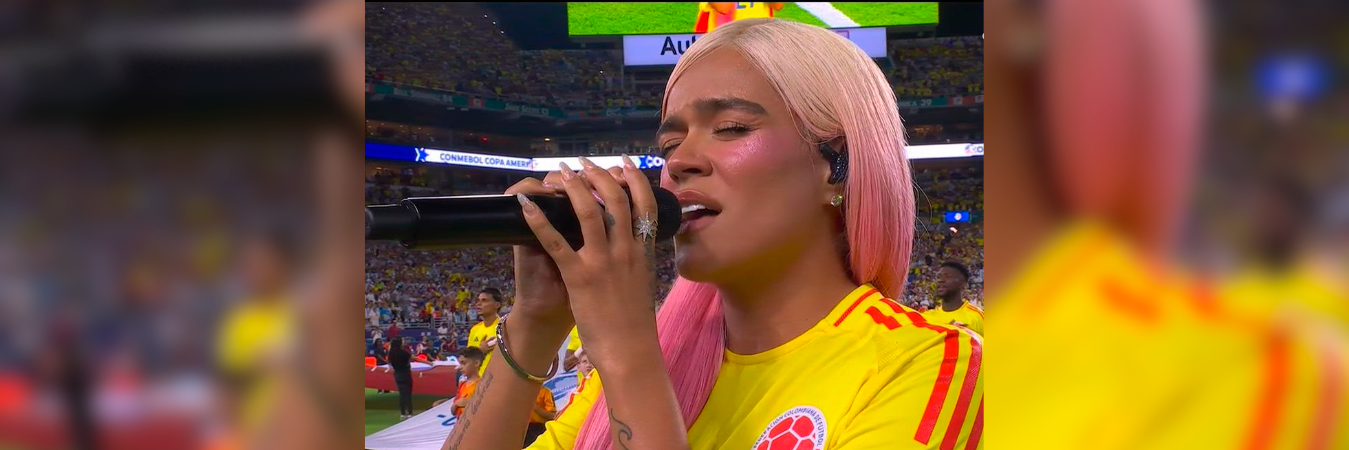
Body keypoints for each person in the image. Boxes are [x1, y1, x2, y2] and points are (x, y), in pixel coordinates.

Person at [443, 18, 982, 450]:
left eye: (731, 129)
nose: (679, 164)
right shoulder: (651, 363)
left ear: (836, 167)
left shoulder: (932, 365)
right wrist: (536, 323)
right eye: (668, 144)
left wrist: (628, 351)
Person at [921, 262, 984, 336]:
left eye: (947, 276)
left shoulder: (977, 317)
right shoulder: (926, 317)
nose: (940, 280)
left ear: (963, 284)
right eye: (939, 277)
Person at [433, 347, 485, 418]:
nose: (460, 367)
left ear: (476, 363)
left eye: (463, 363)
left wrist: (469, 403)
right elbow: (453, 411)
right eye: (460, 363)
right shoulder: (462, 384)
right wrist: (456, 404)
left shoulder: (482, 385)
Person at [466, 288, 504, 377]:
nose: (478, 304)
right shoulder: (475, 329)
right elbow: (467, 358)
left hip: (498, 382)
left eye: (484, 300)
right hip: (476, 382)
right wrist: (480, 351)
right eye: (478, 300)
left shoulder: (504, 328)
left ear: (497, 305)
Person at [387, 337, 415, 420]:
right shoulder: (403, 352)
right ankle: (409, 412)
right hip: (405, 373)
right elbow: (413, 358)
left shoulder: (391, 353)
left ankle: (403, 413)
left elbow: (388, 362)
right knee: (408, 394)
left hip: (397, 374)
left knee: (402, 394)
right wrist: (429, 363)